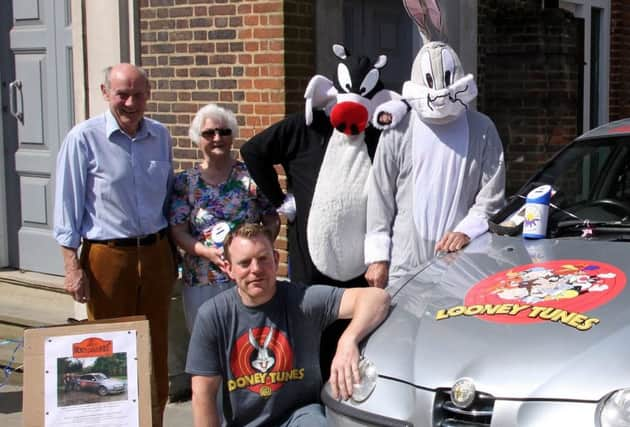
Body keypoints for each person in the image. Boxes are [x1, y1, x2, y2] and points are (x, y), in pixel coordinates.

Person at [53, 63, 175, 426]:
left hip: (155, 253)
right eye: (122, 93)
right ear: (105, 93)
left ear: (148, 95)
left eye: (138, 94)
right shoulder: (83, 138)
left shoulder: (161, 135)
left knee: (155, 351)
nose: (131, 102)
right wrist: (72, 268)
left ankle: (154, 420)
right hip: (107, 258)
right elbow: (66, 208)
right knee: (108, 353)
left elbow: (168, 198)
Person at [186, 223, 390, 427]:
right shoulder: (213, 316)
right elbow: (203, 394)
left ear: (276, 259)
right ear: (229, 269)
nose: (255, 269)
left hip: (299, 417)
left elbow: (377, 298)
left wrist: (348, 340)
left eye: (263, 259)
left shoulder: (303, 300)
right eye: (245, 263)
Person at [365, 41, 506, 289]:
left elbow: (491, 196)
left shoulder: (482, 129)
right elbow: (380, 195)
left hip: (463, 265)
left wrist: (467, 230)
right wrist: (378, 257)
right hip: (405, 262)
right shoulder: (399, 129)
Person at [169, 103, 279, 332]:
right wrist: (207, 252)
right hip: (202, 278)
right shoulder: (185, 182)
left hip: (249, 277)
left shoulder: (251, 176)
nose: (217, 138)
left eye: (224, 132)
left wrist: (257, 247)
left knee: (249, 342)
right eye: (209, 133)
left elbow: (271, 218)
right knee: (207, 345)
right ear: (197, 139)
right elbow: (178, 231)